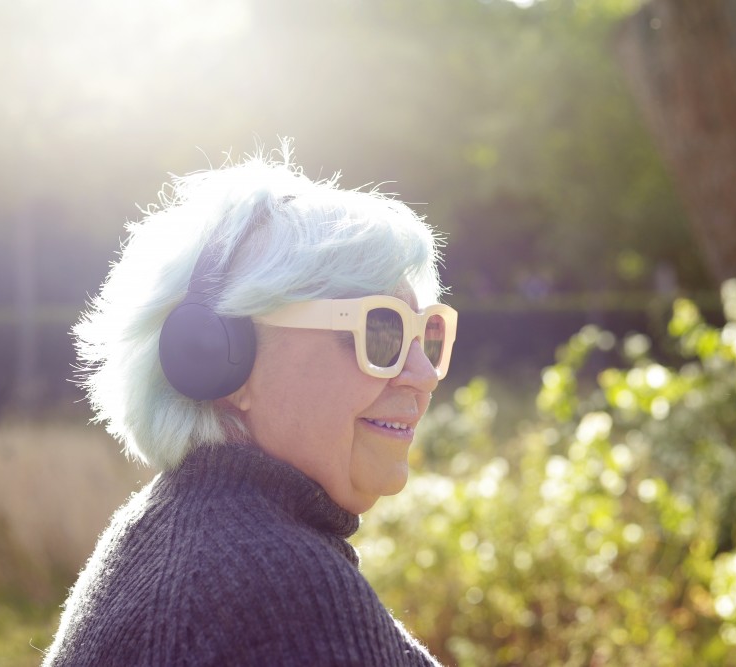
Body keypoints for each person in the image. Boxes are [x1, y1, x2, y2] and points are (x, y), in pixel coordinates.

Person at [42, 146, 458, 666]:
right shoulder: (278, 594)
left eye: (425, 333)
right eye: (382, 330)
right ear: (222, 356)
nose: (423, 375)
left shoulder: (177, 540)